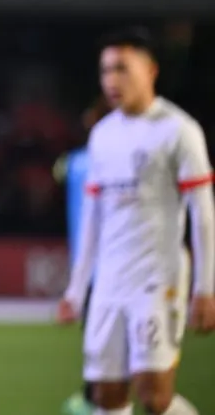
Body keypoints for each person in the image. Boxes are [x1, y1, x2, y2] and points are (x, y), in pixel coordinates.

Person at [58, 27, 214, 415]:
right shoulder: (102, 135)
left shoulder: (179, 130)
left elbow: (203, 213)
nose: (112, 80)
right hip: (110, 284)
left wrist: (206, 287)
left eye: (122, 69)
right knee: (107, 396)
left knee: (154, 397)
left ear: (150, 71)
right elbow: (92, 219)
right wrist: (77, 289)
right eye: (106, 70)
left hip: (155, 280)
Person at [56, 98, 107, 415]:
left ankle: (94, 398)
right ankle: (93, 397)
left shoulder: (74, 162)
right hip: (92, 266)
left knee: (99, 342)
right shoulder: (80, 162)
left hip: (112, 267)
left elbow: (58, 171)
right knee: (98, 342)